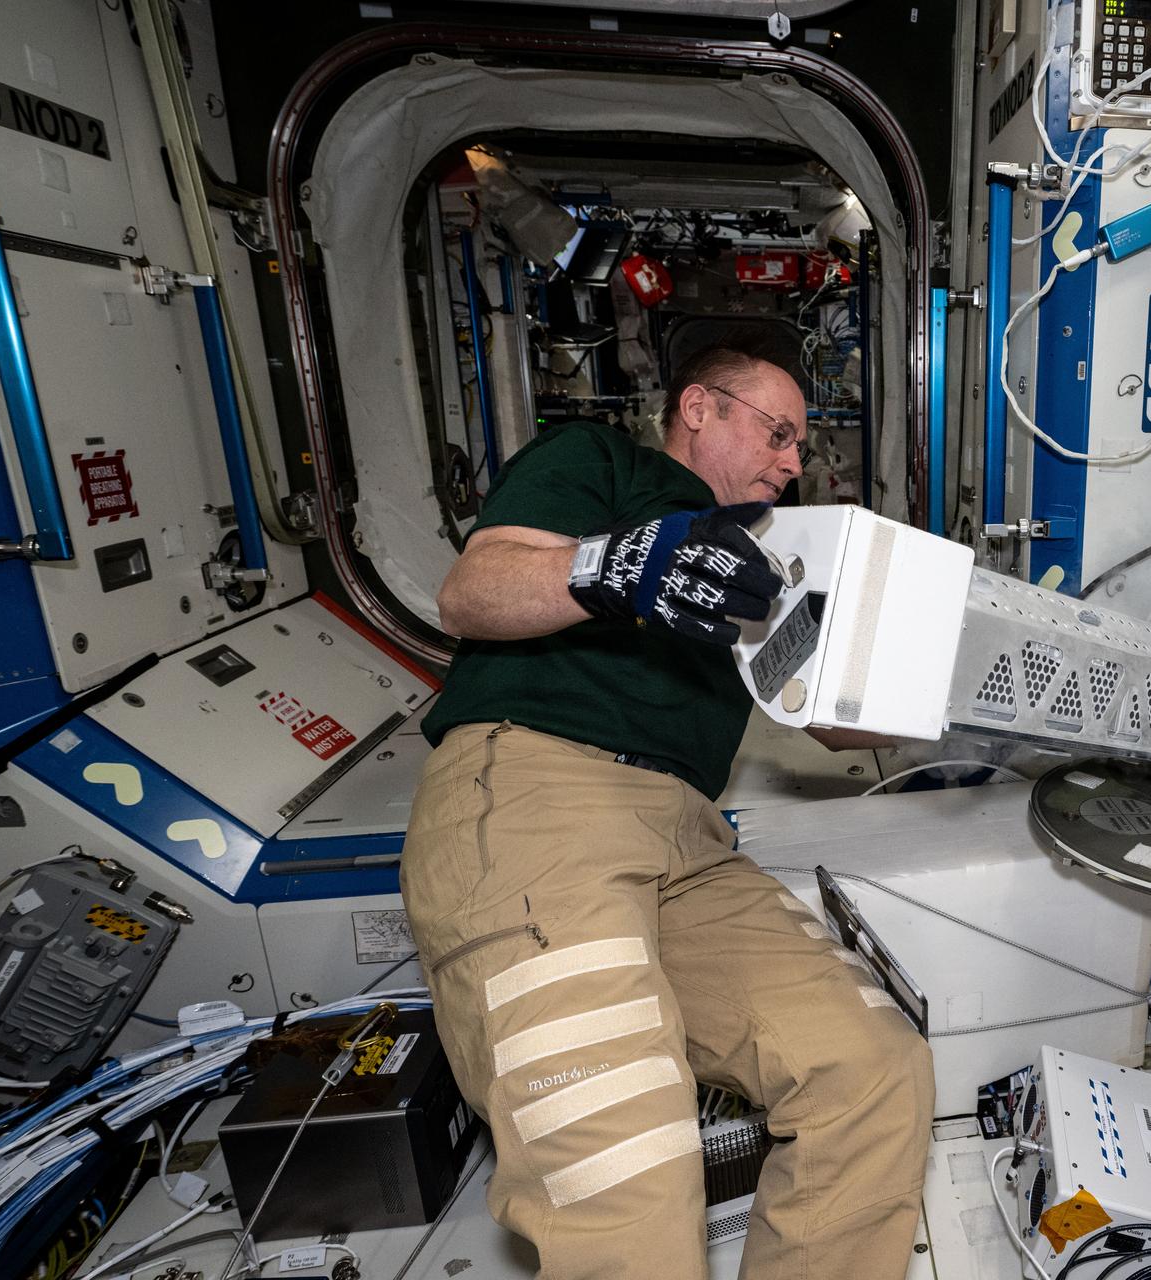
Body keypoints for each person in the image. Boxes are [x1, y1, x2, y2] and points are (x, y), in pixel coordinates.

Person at [401, 334, 935, 1280]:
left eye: (800, 447)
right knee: (630, 1180)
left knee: (872, 1070)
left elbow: (839, 728)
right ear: (699, 408)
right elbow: (472, 592)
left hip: (687, 841)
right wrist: (616, 567)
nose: (791, 461)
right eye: (777, 433)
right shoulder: (599, 464)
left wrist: (951, 673)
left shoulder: (763, 560)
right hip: (539, 792)